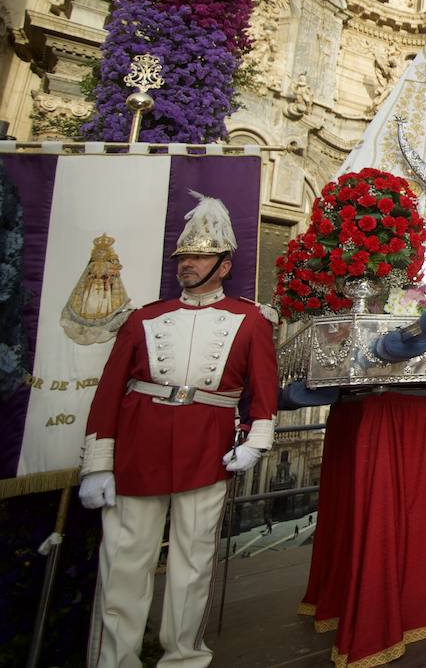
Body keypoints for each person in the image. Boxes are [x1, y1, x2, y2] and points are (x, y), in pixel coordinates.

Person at [79, 193, 278, 668]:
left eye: (199, 256)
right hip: (139, 444)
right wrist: (98, 464)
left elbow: (264, 390)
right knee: (125, 562)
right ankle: (115, 659)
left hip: (206, 447)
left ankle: (183, 657)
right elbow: (108, 393)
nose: (187, 264)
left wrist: (256, 442)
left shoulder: (251, 321)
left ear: (224, 265)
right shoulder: (144, 318)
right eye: (183, 257)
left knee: (193, 564)